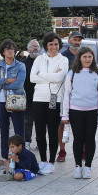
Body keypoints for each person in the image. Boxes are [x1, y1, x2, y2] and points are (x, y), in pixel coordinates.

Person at [62, 46, 98, 179]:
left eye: (90, 57)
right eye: (84, 57)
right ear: (79, 58)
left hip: (91, 112)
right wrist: (65, 114)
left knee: (90, 139)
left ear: (93, 58)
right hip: (75, 111)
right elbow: (66, 95)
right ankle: (77, 166)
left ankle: (88, 167)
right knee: (78, 139)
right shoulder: (72, 73)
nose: (87, 59)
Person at [31, 32, 69, 174]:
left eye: (56, 44)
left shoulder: (63, 59)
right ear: (46, 46)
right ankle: (43, 160)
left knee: (53, 132)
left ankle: (52, 161)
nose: (54, 47)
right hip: (39, 99)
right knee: (40, 132)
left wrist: (41, 74)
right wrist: (50, 77)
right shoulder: (39, 59)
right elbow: (31, 78)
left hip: (55, 99)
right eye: (51, 44)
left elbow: (59, 77)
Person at [0, 39, 27, 167]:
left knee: (19, 130)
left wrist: (2, 83)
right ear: (3, 51)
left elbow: (19, 83)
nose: (10, 51)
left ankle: (20, 156)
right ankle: (5, 156)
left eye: (12, 48)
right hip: (0, 100)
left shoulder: (20, 66)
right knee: (3, 129)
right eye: (7, 49)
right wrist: (8, 80)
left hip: (16, 100)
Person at [57, 31, 84, 161]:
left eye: (79, 40)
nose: (77, 42)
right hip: (66, 95)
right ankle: (62, 150)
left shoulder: (85, 56)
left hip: (82, 96)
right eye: (75, 39)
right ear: (69, 41)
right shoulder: (63, 57)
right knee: (63, 124)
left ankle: (83, 150)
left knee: (81, 126)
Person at [21, 39, 40, 149]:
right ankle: (27, 141)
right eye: (32, 46)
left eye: (37, 46)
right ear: (28, 49)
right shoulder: (23, 64)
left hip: (41, 98)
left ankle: (39, 142)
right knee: (27, 121)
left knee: (40, 122)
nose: (35, 48)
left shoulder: (43, 62)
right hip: (28, 97)